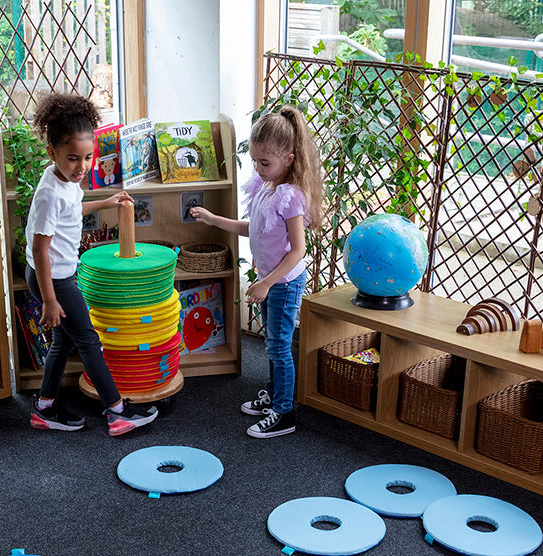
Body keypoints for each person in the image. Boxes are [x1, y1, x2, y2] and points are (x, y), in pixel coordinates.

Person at [25, 92, 158, 435]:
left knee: (63, 342)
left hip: (58, 276)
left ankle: (44, 407)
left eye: (87, 158)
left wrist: (106, 200)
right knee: (89, 341)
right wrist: (50, 299)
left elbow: (72, 211)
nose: (81, 167)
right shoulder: (49, 193)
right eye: (72, 158)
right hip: (52, 279)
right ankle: (117, 411)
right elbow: (41, 249)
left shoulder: (65, 183)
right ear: (52, 153)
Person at [191, 106, 323, 438]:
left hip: (284, 283)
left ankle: (284, 411)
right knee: (273, 346)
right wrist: (212, 218)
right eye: (255, 161)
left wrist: (266, 282)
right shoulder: (267, 188)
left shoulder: (291, 197)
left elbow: (298, 250)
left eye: (265, 163)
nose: (258, 168)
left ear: (289, 159)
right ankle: (275, 395)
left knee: (279, 346)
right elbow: (254, 229)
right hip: (271, 282)